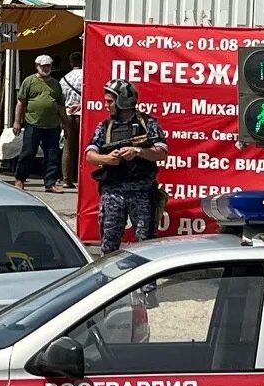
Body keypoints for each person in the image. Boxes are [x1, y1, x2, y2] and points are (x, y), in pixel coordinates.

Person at [84, 77, 168, 256]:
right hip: (112, 193)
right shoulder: (105, 127)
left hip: (142, 193)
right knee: (108, 246)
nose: (107, 105)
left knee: (147, 245)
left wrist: (138, 151)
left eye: (110, 102)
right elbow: (89, 155)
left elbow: (161, 152)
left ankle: (147, 284)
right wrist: (107, 158)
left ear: (122, 101)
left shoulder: (148, 124)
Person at [14, 54, 66, 193]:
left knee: (52, 156)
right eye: (43, 66)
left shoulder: (56, 84)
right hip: (33, 124)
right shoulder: (29, 81)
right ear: (37, 66)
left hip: (52, 126)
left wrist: (65, 123)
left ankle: (50, 184)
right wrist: (17, 122)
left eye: (48, 65)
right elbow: (21, 102)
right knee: (28, 153)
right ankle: (20, 180)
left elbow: (60, 105)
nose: (46, 68)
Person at [59, 59, 85, 186]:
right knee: (86, 147)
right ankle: (83, 178)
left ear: (70, 63)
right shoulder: (87, 76)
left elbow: (60, 100)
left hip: (68, 115)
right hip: (84, 115)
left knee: (68, 149)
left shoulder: (64, 79)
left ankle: (66, 179)